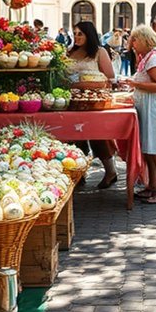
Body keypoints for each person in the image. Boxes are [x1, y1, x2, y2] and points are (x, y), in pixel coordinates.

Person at [67, 21, 120, 189]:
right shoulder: (69, 53)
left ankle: (111, 172)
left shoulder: (99, 52)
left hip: (95, 102)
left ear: (89, 34)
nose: (76, 37)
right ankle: (79, 173)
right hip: (72, 103)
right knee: (74, 137)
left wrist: (86, 84)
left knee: (99, 137)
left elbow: (110, 78)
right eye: (75, 33)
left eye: (80, 34)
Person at [128, 25, 156, 204]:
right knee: (149, 149)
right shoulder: (146, 57)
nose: (132, 43)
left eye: (135, 39)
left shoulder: (153, 58)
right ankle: (152, 185)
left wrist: (134, 84)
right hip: (147, 108)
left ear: (145, 40)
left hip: (154, 109)